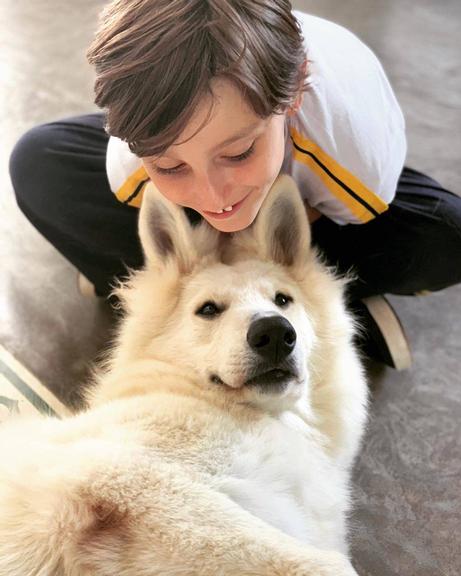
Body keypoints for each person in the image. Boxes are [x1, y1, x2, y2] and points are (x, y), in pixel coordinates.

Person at [9, 0, 461, 370]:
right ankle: (269, 298)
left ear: (296, 96)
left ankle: (304, 304)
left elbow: (356, 212)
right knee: (38, 162)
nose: (213, 197)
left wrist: (284, 231)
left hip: (314, 186)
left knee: (447, 236)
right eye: (171, 166)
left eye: (238, 152)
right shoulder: (132, 151)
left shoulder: (355, 154)